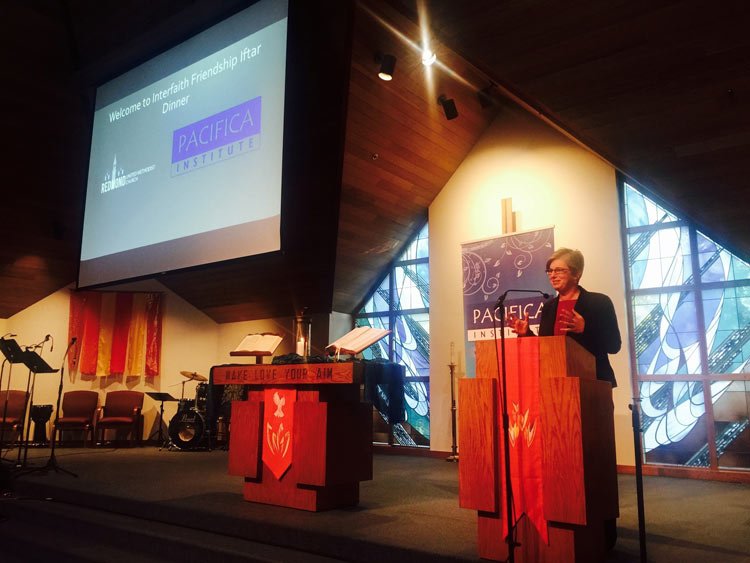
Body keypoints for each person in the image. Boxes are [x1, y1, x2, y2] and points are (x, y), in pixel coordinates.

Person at [508, 247, 621, 386]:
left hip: (593, 383)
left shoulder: (599, 302)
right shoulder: (549, 307)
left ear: (576, 273)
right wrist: (527, 334)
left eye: (559, 270)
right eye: (550, 271)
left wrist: (586, 328)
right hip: (555, 382)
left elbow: (614, 346)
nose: (552, 275)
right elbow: (546, 348)